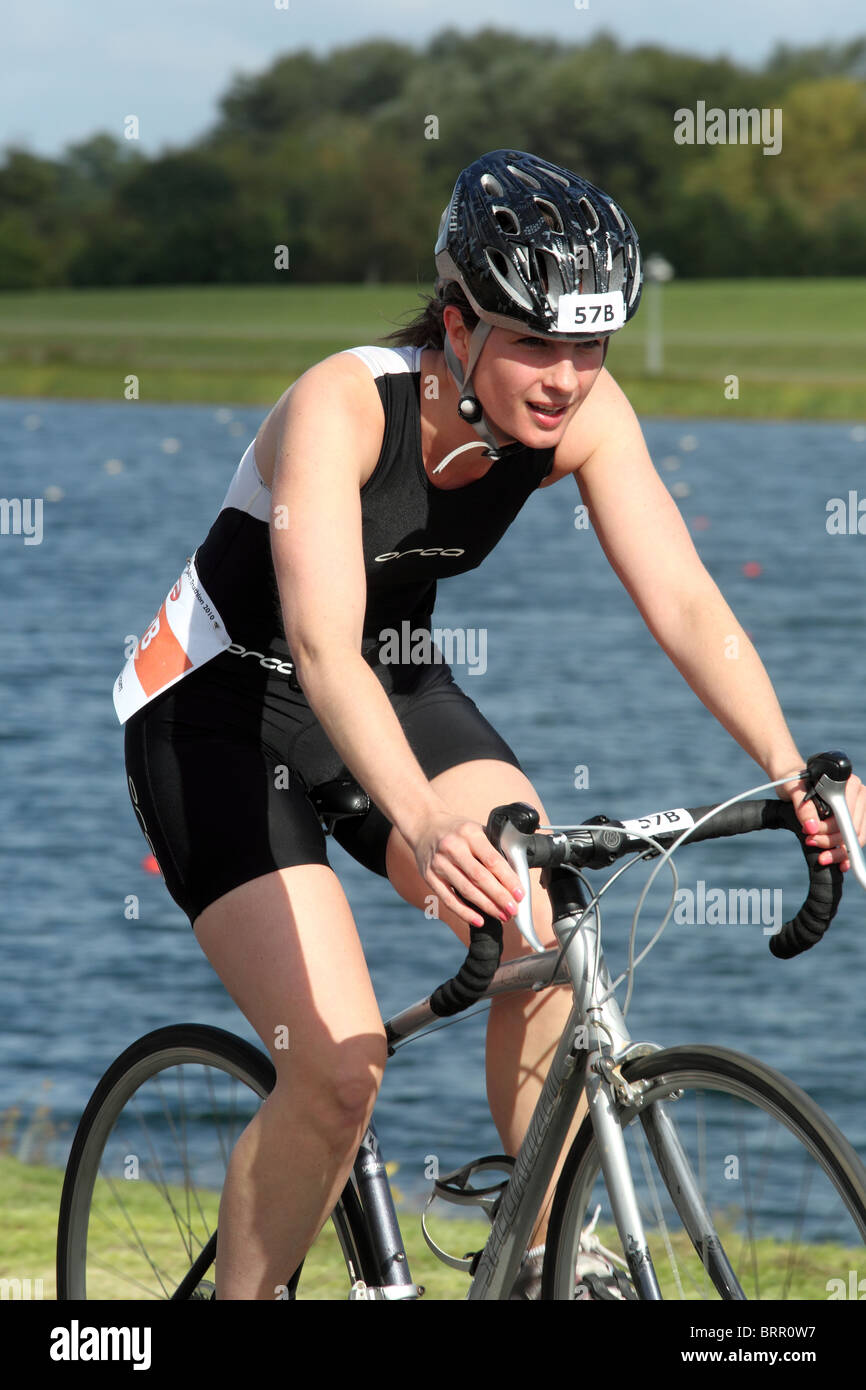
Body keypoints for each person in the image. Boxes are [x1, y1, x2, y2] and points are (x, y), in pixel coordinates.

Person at [115, 148, 865, 1300]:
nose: (567, 378)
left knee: (545, 929)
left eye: (591, 345)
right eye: (536, 344)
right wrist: (420, 822)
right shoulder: (342, 404)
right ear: (456, 324)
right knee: (336, 1065)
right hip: (217, 703)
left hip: (395, 679)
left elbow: (682, 599)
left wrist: (788, 766)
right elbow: (318, 647)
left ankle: (537, 1255)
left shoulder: (584, 415)